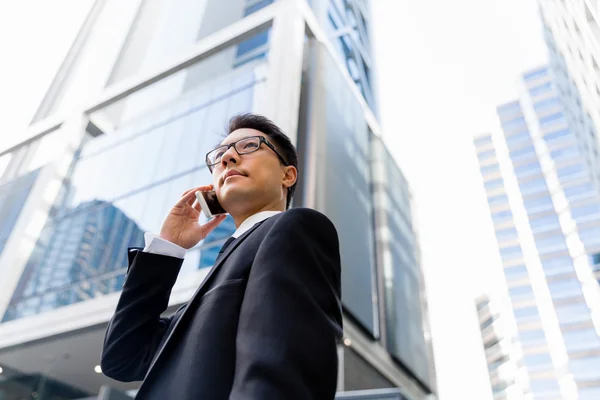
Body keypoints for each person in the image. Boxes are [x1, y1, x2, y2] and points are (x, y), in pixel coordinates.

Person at [101, 113, 343, 399]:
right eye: (220, 154)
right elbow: (123, 358)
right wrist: (167, 248)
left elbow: (281, 375)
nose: (228, 157)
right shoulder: (212, 283)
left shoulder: (295, 229)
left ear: (287, 175)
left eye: (250, 146)